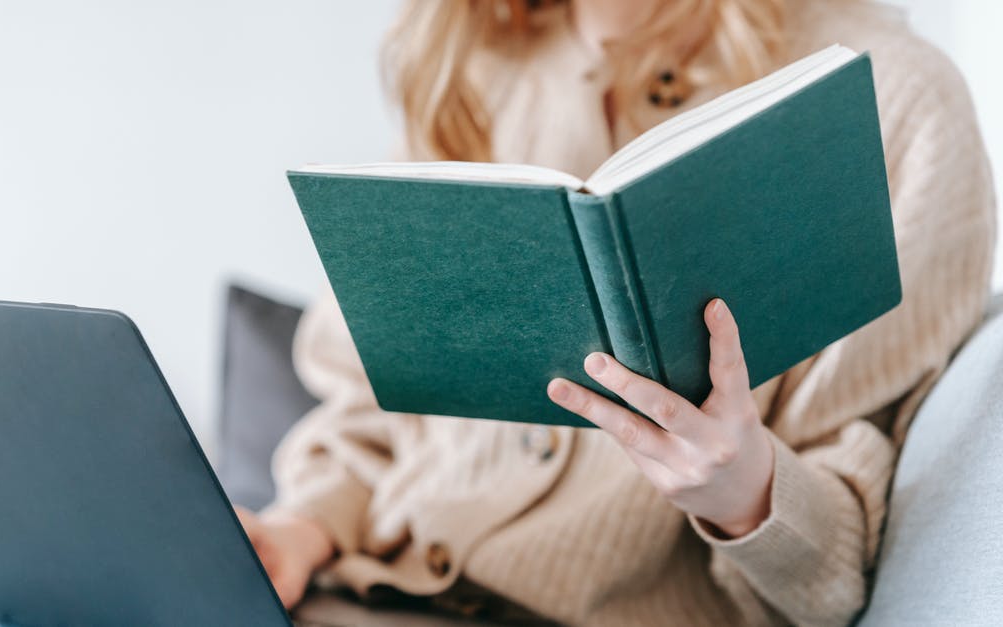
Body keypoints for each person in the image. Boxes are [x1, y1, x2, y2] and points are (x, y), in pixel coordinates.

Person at [235, 0, 997, 624]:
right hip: (361, 594)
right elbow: (369, 391)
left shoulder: (893, 102)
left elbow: (847, 569)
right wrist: (304, 527)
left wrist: (748, 496)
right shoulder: (477, 63)